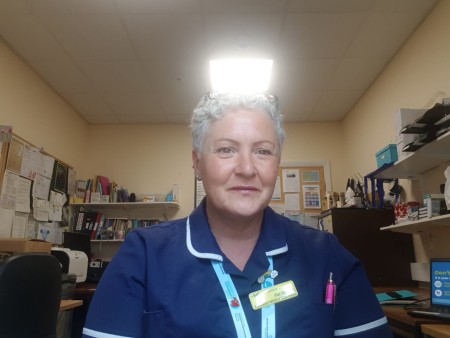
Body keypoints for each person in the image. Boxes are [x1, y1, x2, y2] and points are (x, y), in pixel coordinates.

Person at [82, 91, 393, 337]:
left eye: (263, 151)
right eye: (226, 150)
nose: (246, 168)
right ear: (197, 162)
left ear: (277, 162)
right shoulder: (142, 256)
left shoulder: (329, 256)